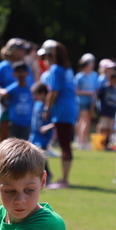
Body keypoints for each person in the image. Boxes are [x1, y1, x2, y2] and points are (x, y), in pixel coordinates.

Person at [43, 41, 79, 189]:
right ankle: (64, 178)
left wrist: (47, 108)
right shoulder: (68, 69)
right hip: (70, 108)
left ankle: (64, 180)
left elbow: (54, 92)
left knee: (64, 145)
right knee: (65, 144)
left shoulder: (56, 69)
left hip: (62, 110)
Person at [0, 62, 34, 141]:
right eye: (19, 72)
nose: (21, 74)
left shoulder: (30, 89)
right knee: (14, 142)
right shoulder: (12, 89)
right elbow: (2, 99)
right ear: (14, 74)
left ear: (27, 73)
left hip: (27, 121)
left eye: (23, 71)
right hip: (14, 121)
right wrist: (9, 108)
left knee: (25, 143)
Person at [74, 54, 99, 148]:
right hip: (82, 102)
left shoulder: (94, 75)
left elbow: (96, 89)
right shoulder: (79, 77)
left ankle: (81, 140)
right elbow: (76, 91)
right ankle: (82, 142)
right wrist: (89, 93)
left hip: (91, 102)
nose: (92, 66)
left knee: (83, 121)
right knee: (85, 121)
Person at [95, 62, 116, 143]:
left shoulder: (115, 88)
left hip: (112, 110)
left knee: (110, 127)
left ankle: (107, 142)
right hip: (104, 109)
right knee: (103, 126)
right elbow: (98, 95)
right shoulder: (103, 83)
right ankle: (100, 142)